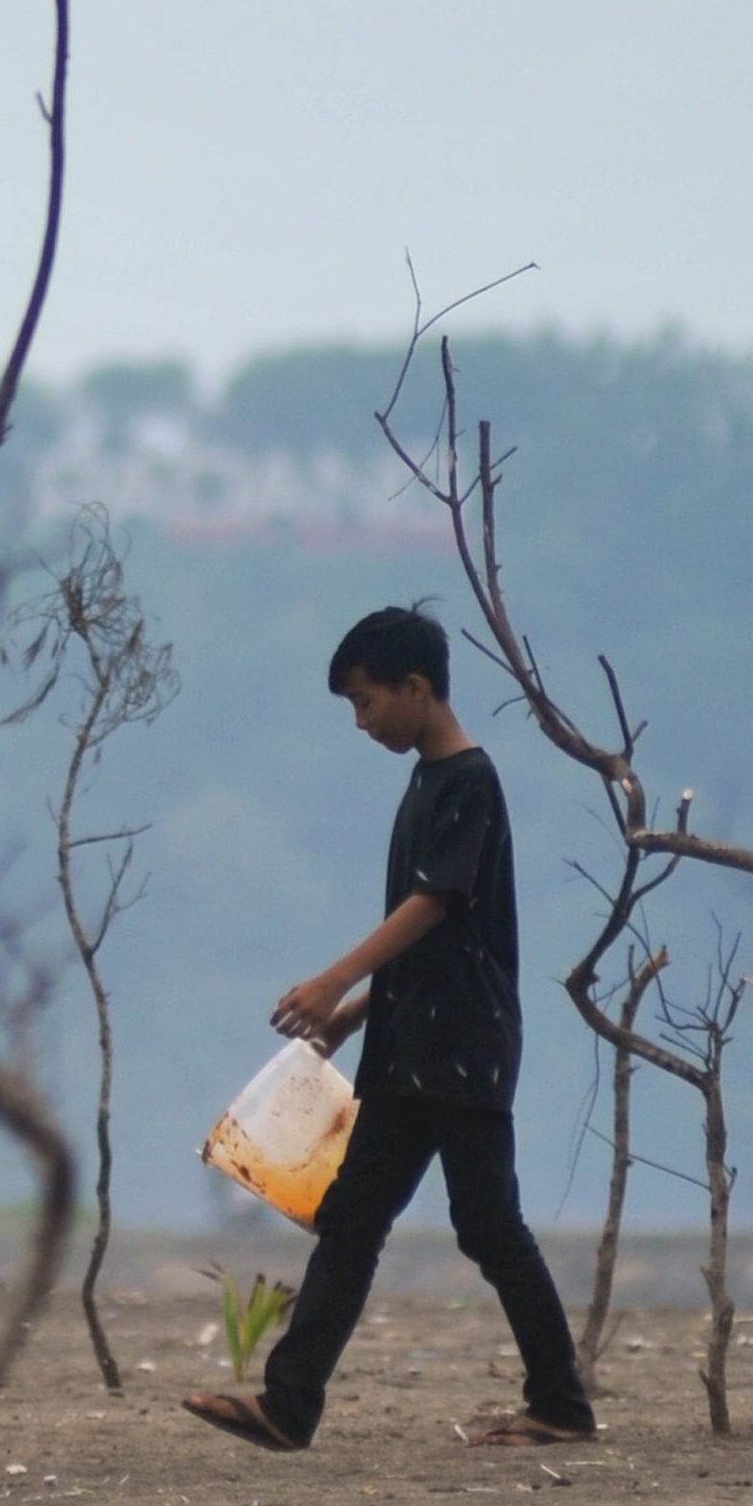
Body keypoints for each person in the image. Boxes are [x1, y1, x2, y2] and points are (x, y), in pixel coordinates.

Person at [182, 604, 598, 1451]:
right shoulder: (424, 784)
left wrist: (339, 974)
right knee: (353, 1218)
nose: (363, 723)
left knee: (487, 1225)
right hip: (409, 1046)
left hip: (463, 1049)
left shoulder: (469, 781)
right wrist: (352, 1014)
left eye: (367, 703)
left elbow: (436, 905)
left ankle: (561, 1405)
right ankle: (288, 1405)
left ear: (417, 689)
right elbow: (435, 933)